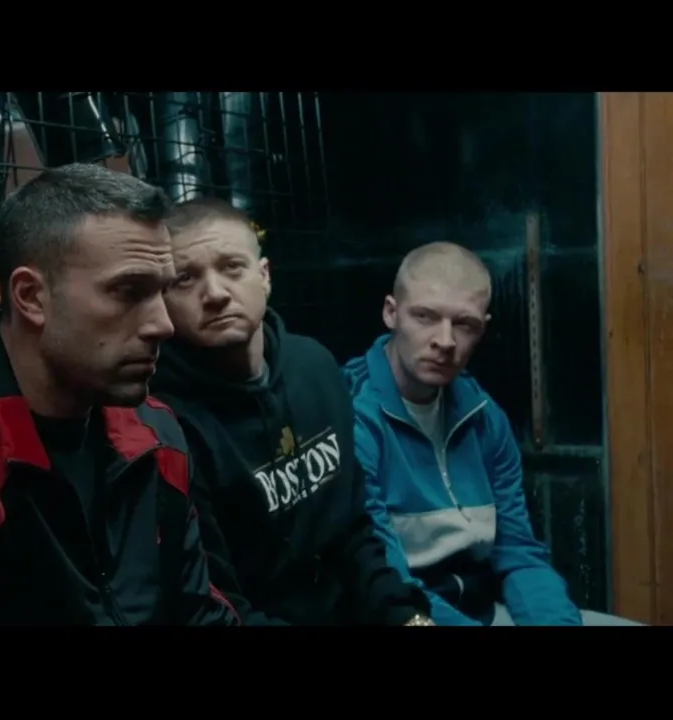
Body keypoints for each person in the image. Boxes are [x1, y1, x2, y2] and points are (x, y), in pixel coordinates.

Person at [0, 164, 239, 626]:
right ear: (31, 296)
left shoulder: (156, 434)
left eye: (161, 291)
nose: (163, 324)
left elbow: (199, 612)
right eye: (127, 291)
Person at [149, 197, 434, 625]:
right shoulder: (163, 421)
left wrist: (408, 617)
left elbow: (352, 530)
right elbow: (211, 603)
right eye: (185, 279)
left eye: (232, 267)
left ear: (264, 276)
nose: (215, 294)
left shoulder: (314, 367)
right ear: (163, 299)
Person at [343, 241, 640, 626]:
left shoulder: (483, 416)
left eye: (463, 324)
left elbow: (518, 553)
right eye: (425, 316)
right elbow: (385, 581)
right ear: (391, 313)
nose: (445, 340)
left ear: (482, 328)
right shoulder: (350, 414)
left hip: (479, 608)